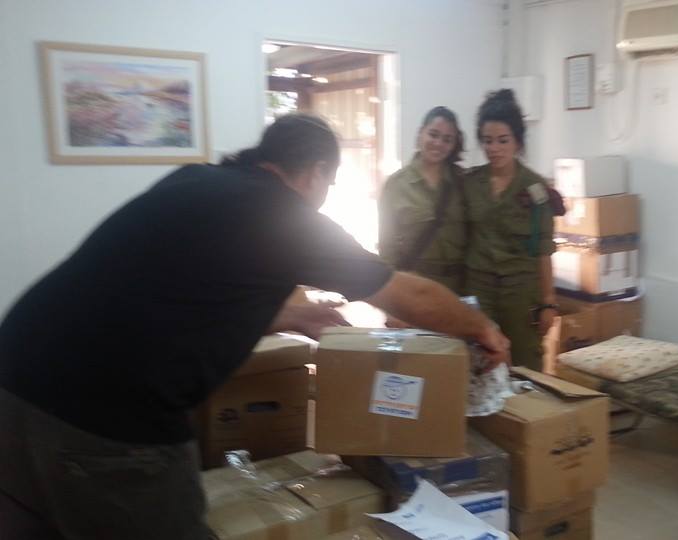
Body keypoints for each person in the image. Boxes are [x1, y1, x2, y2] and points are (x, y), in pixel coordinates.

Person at [0, 113, 510, 540]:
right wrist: (481, 327)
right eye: (329, 184)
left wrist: (291, 315)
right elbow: (408, 294)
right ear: (316, 171)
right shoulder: (283, 215)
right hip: (106, 421)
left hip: (16, 379)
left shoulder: (197, 180)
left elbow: (192, 289)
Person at [463, 90, 562, 371]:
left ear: (517, 141)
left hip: (520, 292)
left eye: (503, 140)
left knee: (524, 364)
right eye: (487, 140)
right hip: (479, 288)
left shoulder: (535, 188)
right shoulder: (469, 183)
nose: (494, 148)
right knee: (479, 363)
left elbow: (544, 249)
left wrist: (548, 303)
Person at [378, 107, 467, 294]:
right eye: (433, 135)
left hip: (459, 285)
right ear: (420, 134)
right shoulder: (396, 185)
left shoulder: (463, 181)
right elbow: (387, 248)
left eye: (447, 139)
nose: (438, 143)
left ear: (453, 144)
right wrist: (395, 291)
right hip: (415, 284)